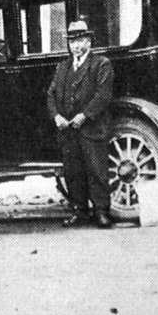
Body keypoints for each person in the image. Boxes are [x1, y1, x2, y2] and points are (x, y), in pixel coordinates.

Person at [48, 20, 116, 228]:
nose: (76, 46)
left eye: (80, 41)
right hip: (67, 130)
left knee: (97, 170)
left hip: (91, 128)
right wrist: (56, 116)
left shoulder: (101, 64)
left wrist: (84, 115)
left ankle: (102, 211)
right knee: (73, 172)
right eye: (72, 42)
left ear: (89, 41)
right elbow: (51, 94)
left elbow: (103, 95)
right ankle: (80, 210)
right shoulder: (63, 67)